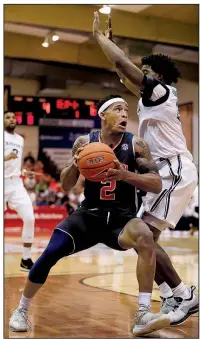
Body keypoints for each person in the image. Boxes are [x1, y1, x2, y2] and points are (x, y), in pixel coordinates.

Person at [9, 95, 171, 337]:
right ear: (103, 114)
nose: (125, 114)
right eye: (119, 109)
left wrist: (125, 175)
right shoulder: (85, 143)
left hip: (121, 218)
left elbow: (156, 183)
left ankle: (143, 313)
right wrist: (74, 166)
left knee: (146, 237)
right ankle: (21, 310)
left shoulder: (136, 144)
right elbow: (66, 185)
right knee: (51, 251)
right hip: (88, 214)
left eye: (127, 110)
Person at [93, 12, 198, 326]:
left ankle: (182, 294)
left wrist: (100, 39)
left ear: (159, 78)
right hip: (164, 171)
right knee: (141, 238)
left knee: (144, 237)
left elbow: (126, 68)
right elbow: (122, 70)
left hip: (174, 170)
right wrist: (113, 49)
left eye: (148, 71)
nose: (142, 74)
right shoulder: (148, 98)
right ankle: (171, 292)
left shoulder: (161, 92)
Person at [4, 111, 35, 271]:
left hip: (16, 183)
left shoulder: (20, 139)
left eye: (13, 117)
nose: (11, 120)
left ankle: (26, 258)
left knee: (29, 218)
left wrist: (24, 172)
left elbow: (14, 165)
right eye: (7, 117)